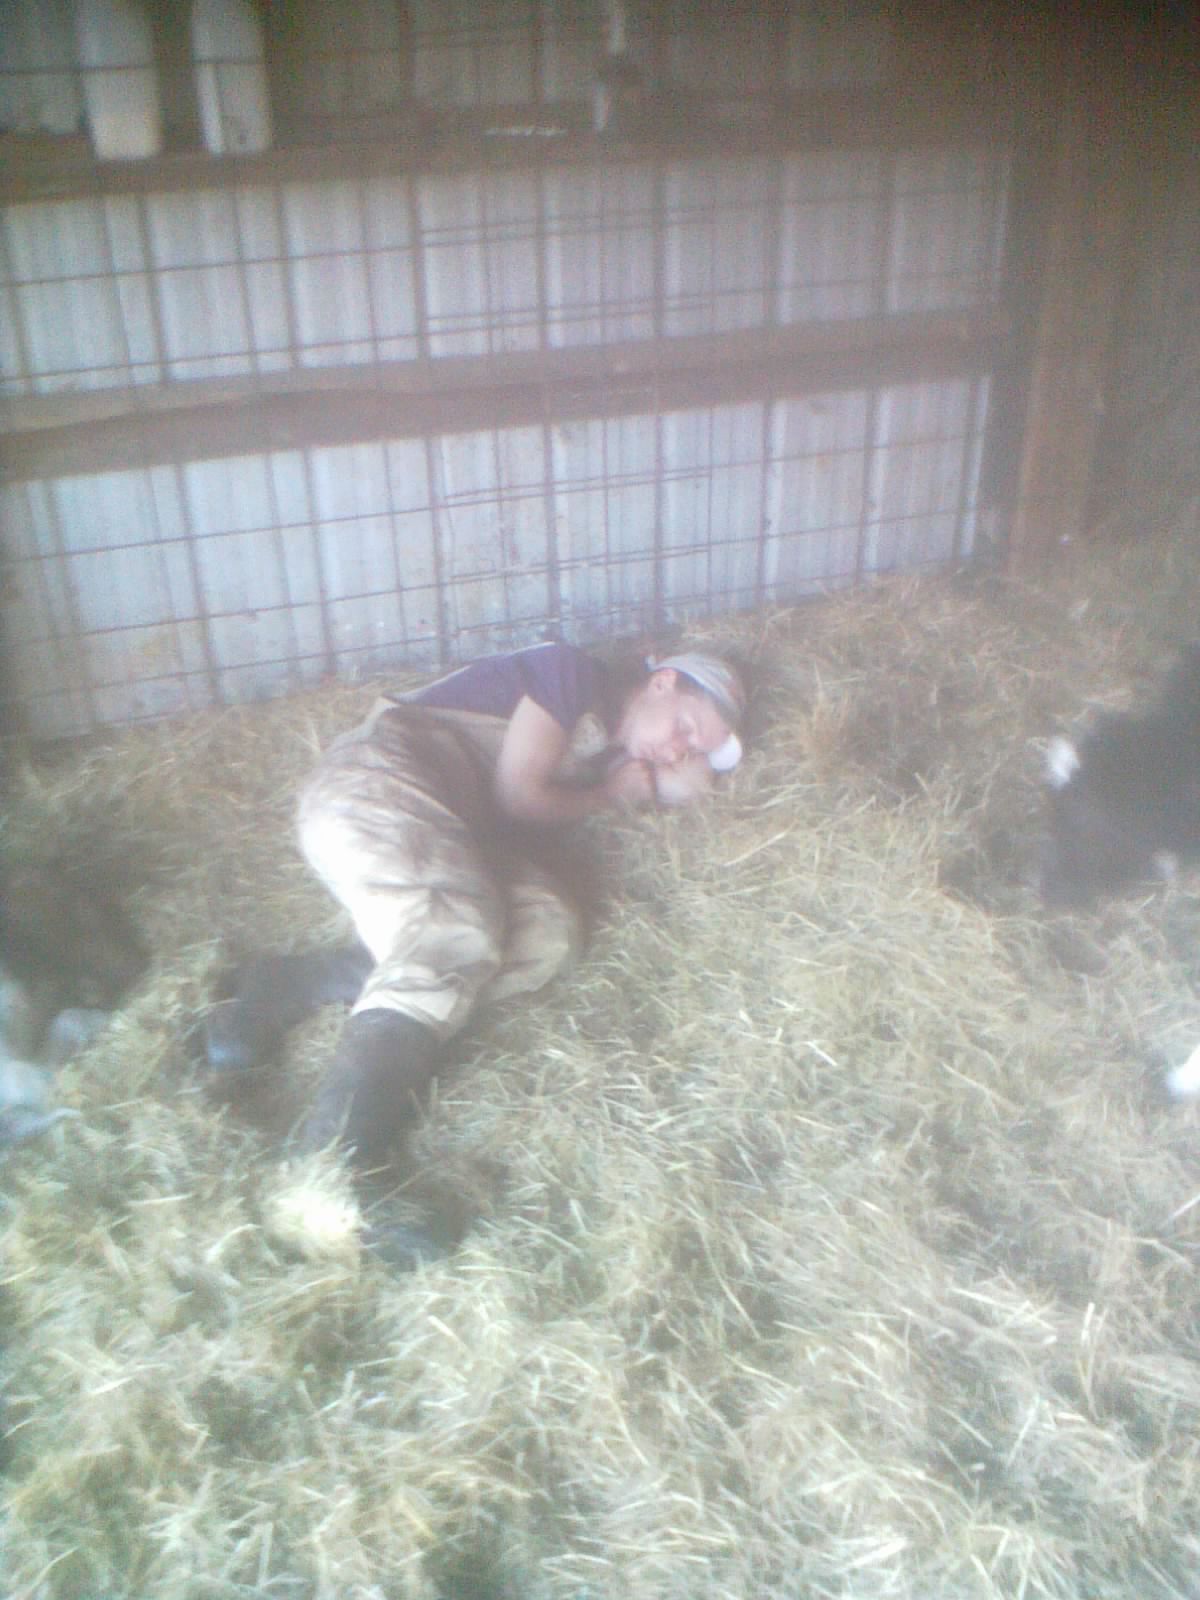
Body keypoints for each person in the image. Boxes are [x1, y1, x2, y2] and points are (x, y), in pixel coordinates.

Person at [203, 640, 746, 1174]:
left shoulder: (611, 754)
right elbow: (519, 797)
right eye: (685, 727)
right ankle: (333, 1168)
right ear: (662, 682)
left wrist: (658, 771)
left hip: (456, 835)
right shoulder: (571, 673)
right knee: (454, 924)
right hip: (379, 782)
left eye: (692, 748)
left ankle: (294, 981)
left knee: (549, 931)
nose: (678, 750)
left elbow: (690, 783)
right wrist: (611, 796)